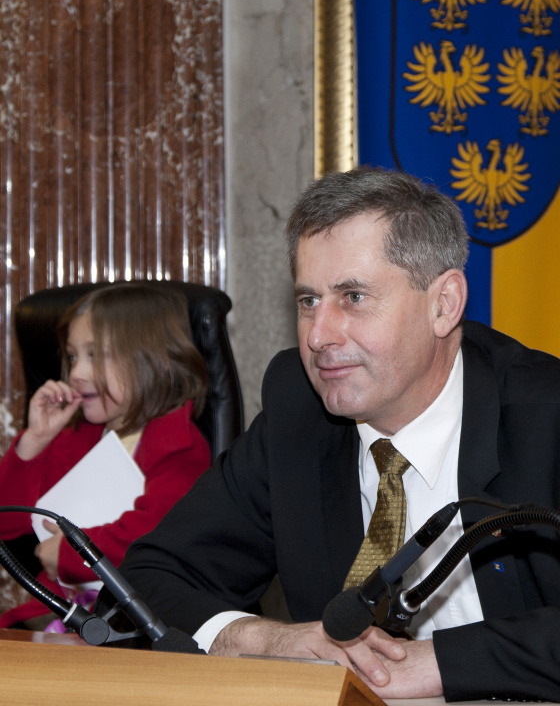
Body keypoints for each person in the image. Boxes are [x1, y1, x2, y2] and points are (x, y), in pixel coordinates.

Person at [102, 168, 560, 702]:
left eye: (354, 297)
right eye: (308, 301)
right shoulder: (300, 410)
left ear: (444, 304)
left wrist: (438, 662)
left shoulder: (543, 416)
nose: (318, 337)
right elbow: (145, 583)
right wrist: (267, 640)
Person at [0, 282, 211, 628]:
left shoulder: (179, 444)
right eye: (72, 356)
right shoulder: (77, 437)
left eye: (95, 355)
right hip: (58, 612)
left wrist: (68, 555)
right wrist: (36, 441)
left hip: (133, 622)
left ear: (156, 360)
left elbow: (150, 538)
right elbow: (9, 523)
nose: (77, 373)